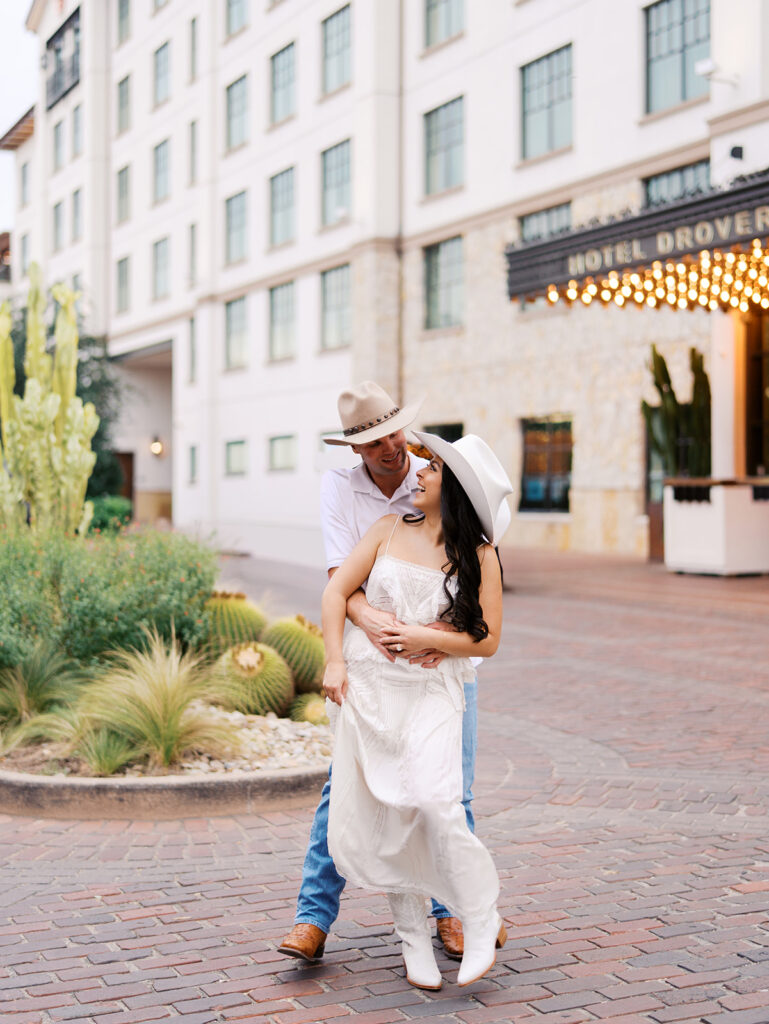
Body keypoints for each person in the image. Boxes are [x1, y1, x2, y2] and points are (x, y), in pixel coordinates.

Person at [277, 382, 493, 964]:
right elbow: (338, 580)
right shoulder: (341, 493)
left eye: (396, 433)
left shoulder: (436, 476)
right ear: (356, 450)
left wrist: (435, 639)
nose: (393, 449)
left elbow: (479, 579)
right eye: (376, 443)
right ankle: (312, 918)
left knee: (452, 788)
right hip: (376, 667)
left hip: (442, 663)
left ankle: (456, 913)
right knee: (344, 786)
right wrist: (368, 625)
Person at [322, 429, 513, 989]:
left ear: (450, 488)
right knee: (393, 813)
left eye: (431, 470)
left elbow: (488, 640)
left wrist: (432, 639)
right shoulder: (386, 529)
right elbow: (337, 594)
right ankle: (411, 940)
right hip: (370, 690)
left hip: (431, 692)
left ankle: (479, 915)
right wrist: (335, 661)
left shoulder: (478, 555)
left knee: (435, 801)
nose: (419, 473)